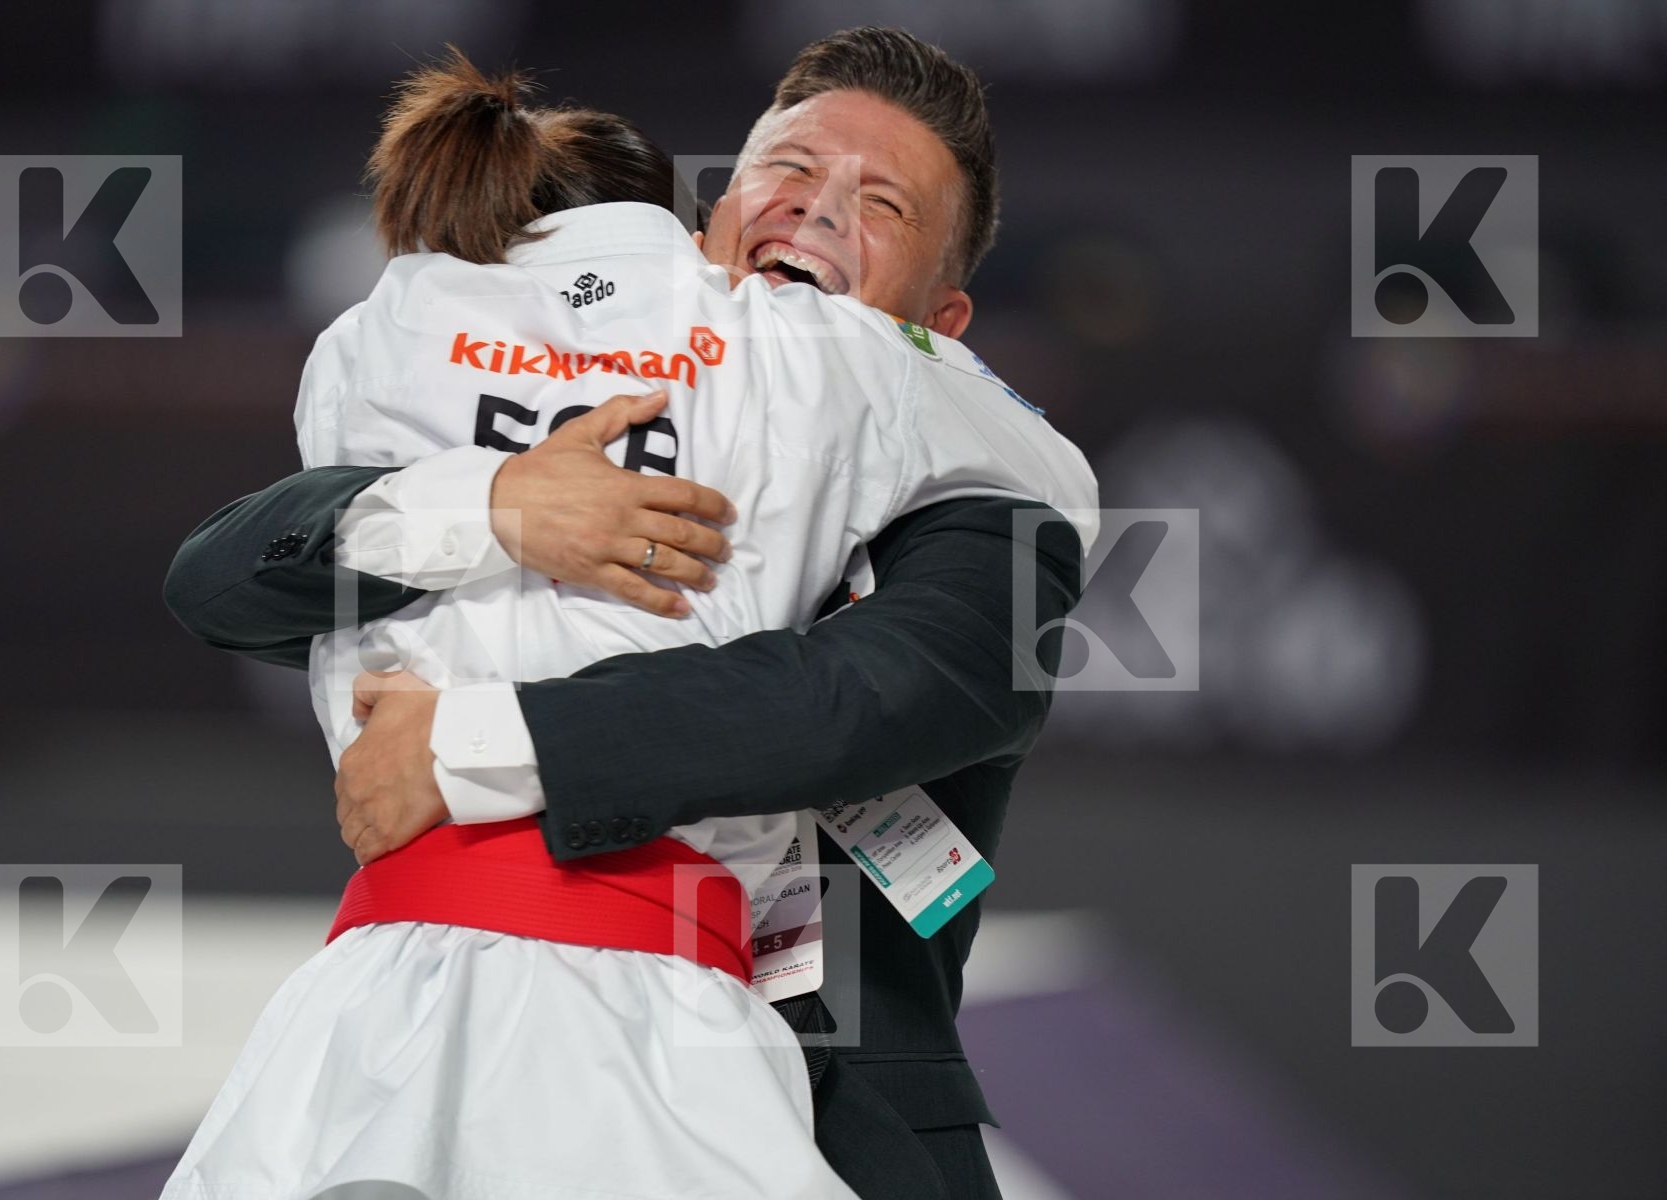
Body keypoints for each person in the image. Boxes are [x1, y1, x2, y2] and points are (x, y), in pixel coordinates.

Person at [165, 27, 1091, 1199]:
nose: (814, 212)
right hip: (459, 1043)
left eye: (882, 206)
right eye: (789, 172)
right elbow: (220, 578)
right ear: (706, 224)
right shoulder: (512, 408)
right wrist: (500, 506)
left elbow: (875, 696)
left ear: (938, 329)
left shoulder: (983, 500)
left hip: (843, 1121)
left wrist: (467, 745)